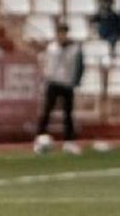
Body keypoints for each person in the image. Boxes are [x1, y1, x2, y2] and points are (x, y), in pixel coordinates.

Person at [36, 23, 84, 152]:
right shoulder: (52, 48)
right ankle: (39, 138)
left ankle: (69, 141)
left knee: (68, 113)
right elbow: (46, 63)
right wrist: (46, 78)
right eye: (59, 33)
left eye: (63, 33)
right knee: (47, 111)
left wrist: (76, 81)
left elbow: (80, 66)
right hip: (53, 82)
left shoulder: (74, 48)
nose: (61, 36)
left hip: (67, 83)